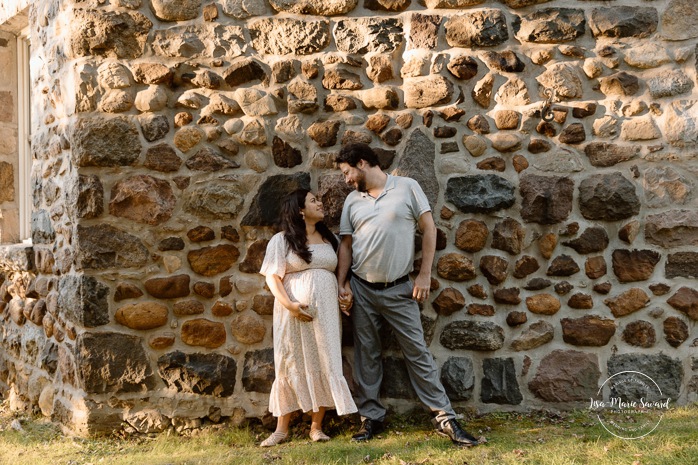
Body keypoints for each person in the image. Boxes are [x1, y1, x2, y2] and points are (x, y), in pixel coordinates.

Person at [336, 142, 480, 447]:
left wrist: (425, 274)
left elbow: (429, 229)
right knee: (366, 357)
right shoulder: (352, 201)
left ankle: (445, 419)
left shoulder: (407, 187)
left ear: (362, 163)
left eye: (347, 172)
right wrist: (342, 283)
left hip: (400, 288)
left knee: (418, 353)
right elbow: (346, 246)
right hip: (362, 289)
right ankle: (370, 418)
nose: (346, 179)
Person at [259, 189, 357, 447]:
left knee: (325, 361)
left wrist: (344, 292)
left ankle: (316, 426)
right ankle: (281, 429)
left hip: (325, 313)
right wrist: (290, 305)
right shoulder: (282, 241)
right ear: (300, 210)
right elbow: (272, 276)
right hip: (292, 312)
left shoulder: (330, 239)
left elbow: (340, 276)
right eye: (314, 200)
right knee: (289, 362)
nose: (320, 203)